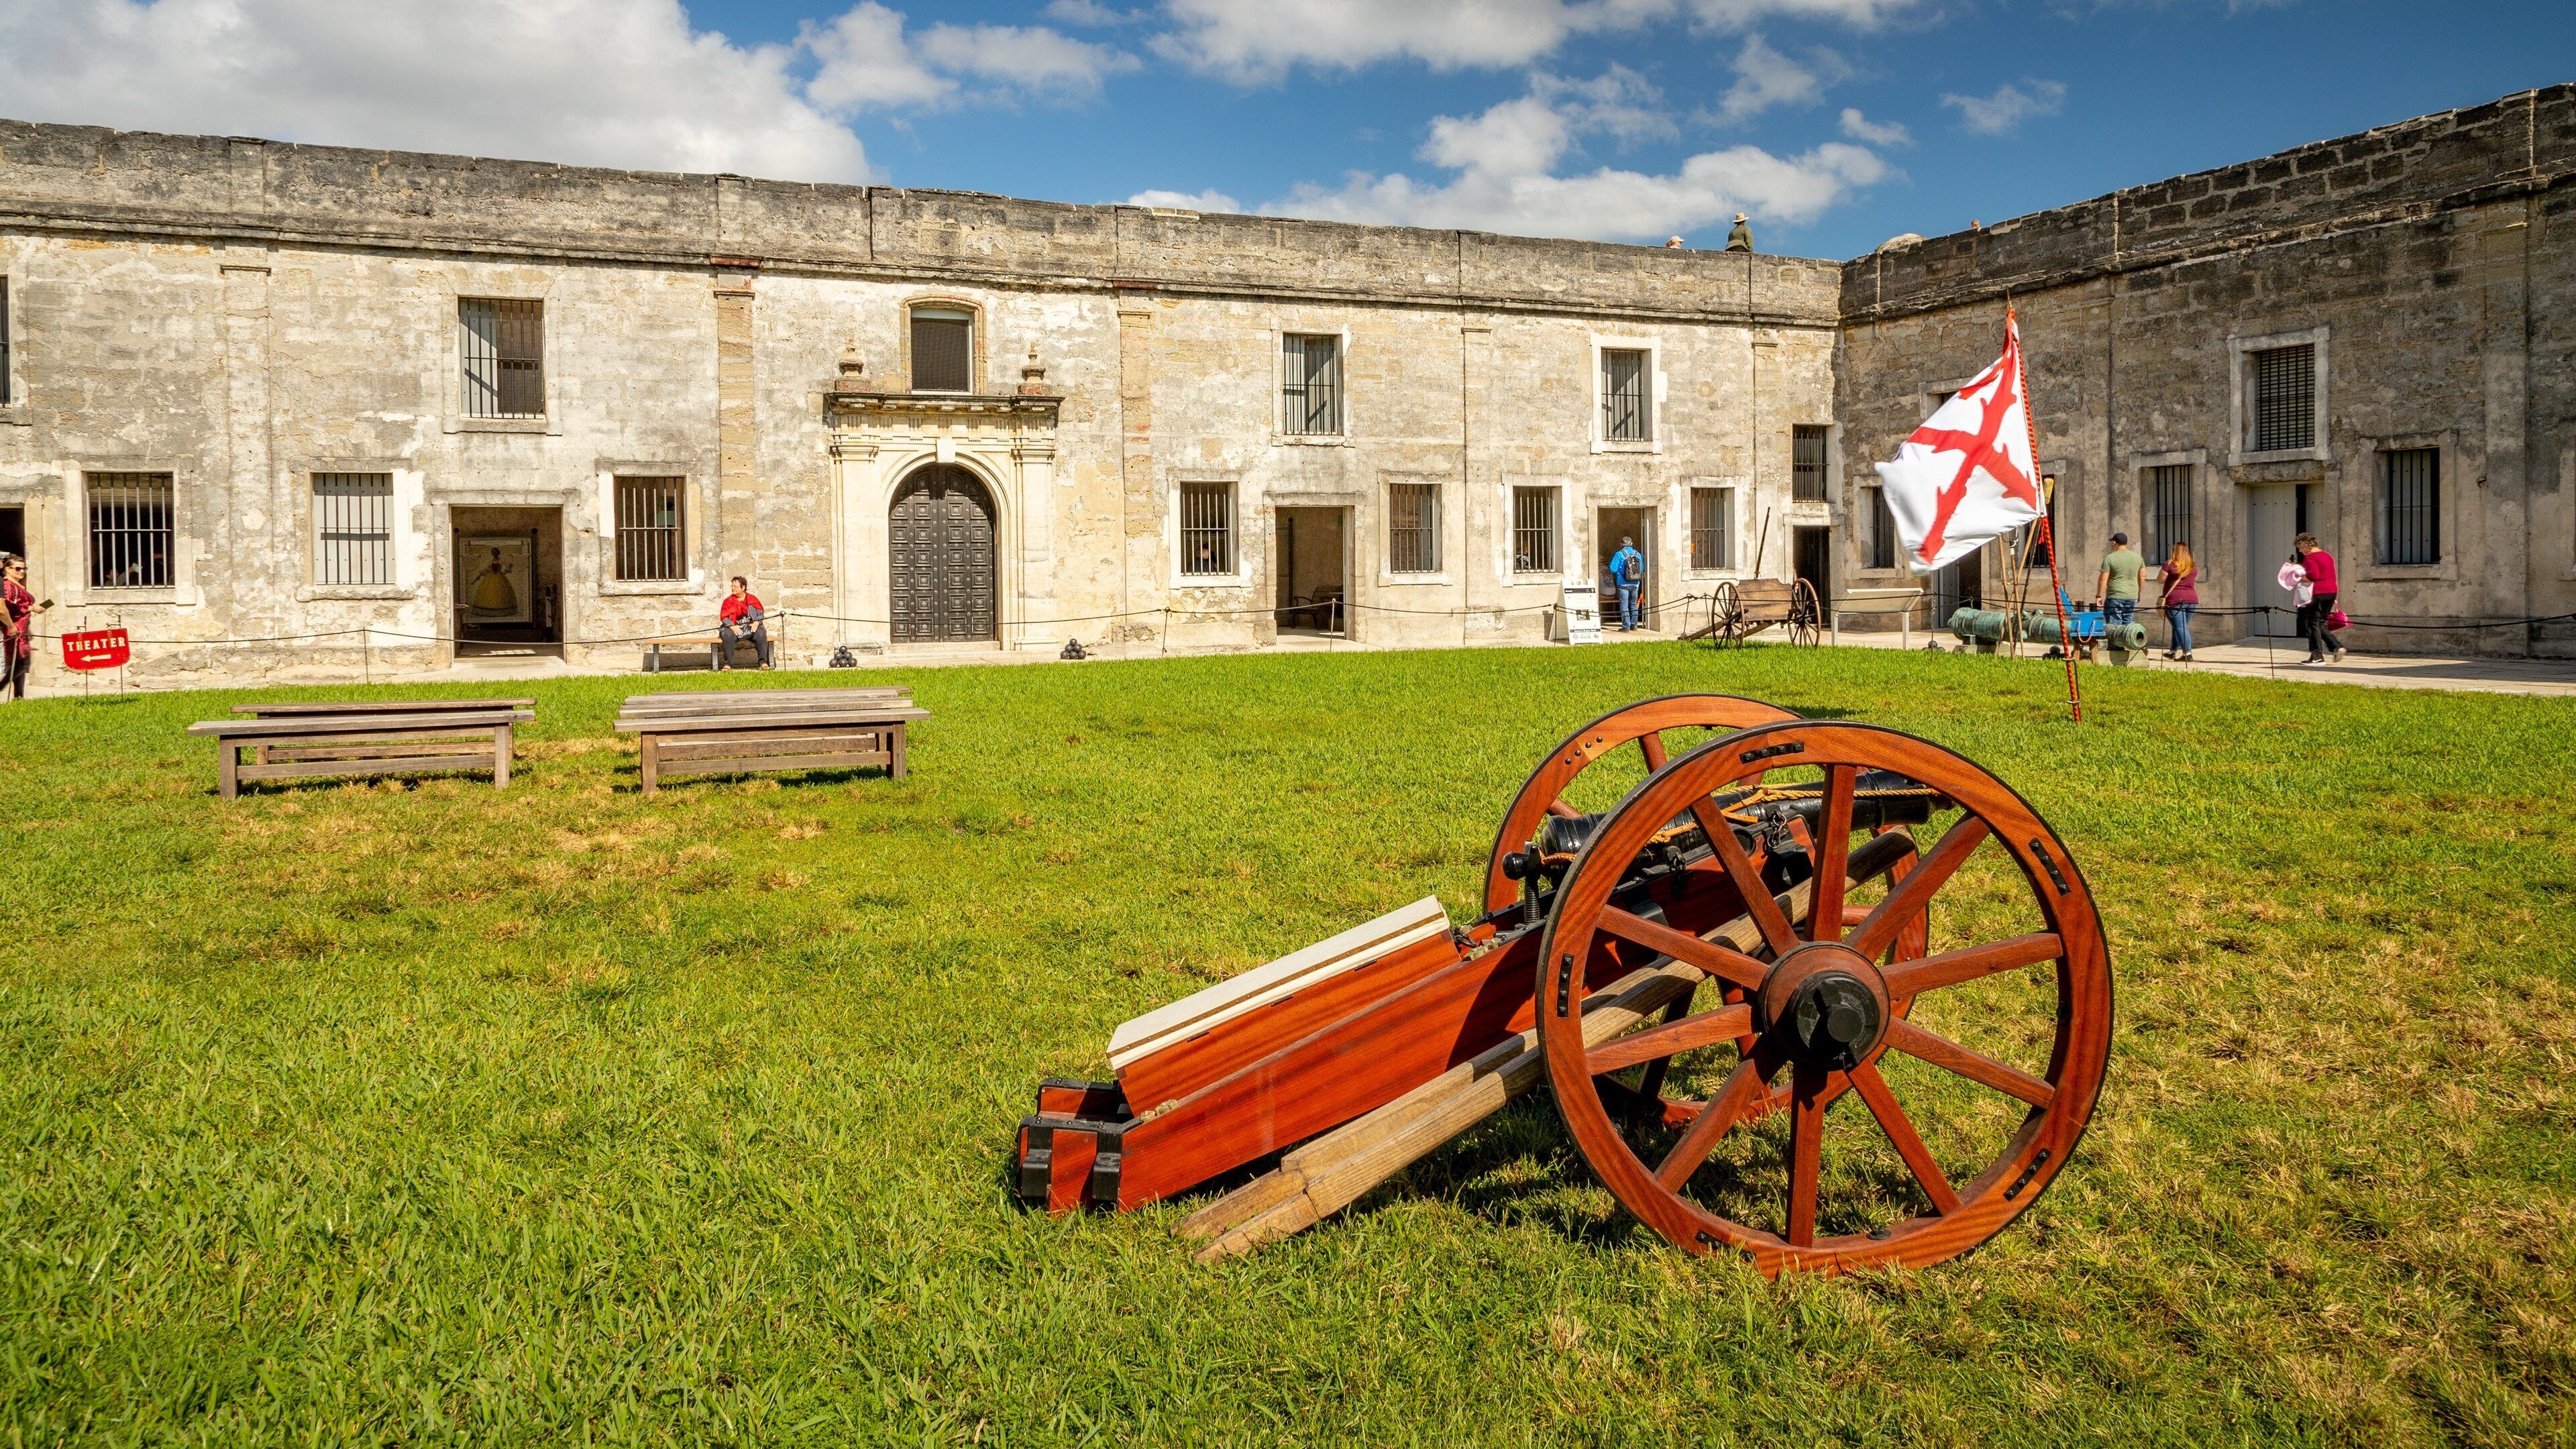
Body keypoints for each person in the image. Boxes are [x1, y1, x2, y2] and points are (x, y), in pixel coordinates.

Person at [2294, 532, 2343, 665]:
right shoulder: (2327, 556)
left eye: (2300, 547)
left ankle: (2317, 656)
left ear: (2306, 546)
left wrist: (2298, 577)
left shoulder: (2311, 558)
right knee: (2320, 623)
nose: (2300, 551)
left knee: (2312, 623)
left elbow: (2313, 576)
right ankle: (2336, 647)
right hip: (2331, 591)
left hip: (2318, 593)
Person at [1, 555, 44, 699]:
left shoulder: (18, 585)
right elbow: (9, 606)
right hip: (15, 628)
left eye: (23, 568)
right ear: (7, 569)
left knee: (20, 662)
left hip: (23, 628)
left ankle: (19, 696)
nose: (22, 571)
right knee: (21, 662)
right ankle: (2, 688)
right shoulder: (8, 585)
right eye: (18, 568)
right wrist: (31, 607)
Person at [2093, 531, 2145, 633]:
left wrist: (2098, 595)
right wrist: (2138, 592)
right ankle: (2128, 645)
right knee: (2128, 624)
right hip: (2132, 595)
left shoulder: (2110, 558)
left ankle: (2115, 647)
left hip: (2115, 596)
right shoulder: (2138, 558)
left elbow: (2103, 579)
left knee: (2114, 626)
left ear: (2114, 543)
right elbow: (2142, 577)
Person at [2157, 541, 2199, 662]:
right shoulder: (2193, 566)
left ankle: (2187, 653)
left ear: (2174, 551)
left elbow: (2161, 580)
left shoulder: (2170, 565)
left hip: (2175, 600)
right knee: (2179, 627)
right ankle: (2173, 651)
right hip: (2192, 600)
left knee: (2180, 626)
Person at [717, 576, 772, 670]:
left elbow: (761, 614)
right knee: (727, 635)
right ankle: (728, 664)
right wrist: (731, 626)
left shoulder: (752, 599)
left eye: (736, 587)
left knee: (761, 633)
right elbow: (724, 617)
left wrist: (757, 622)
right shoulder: (728, 601)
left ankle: (763, 662)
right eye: (732, 586)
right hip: (734, 627)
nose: (733, 588)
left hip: (750, 626)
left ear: (743, 588)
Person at [1609, 535, 1644, 632]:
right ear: (1631, 544)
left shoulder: (1619, 554)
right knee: (1633, 604)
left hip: (1623, 584)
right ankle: (1635, 626)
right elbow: (1642, 569)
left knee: (1624, 605)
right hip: (1635, 583)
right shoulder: (1638, 554)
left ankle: (1626, 627)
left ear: (1621, 544)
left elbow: (1613, 569)